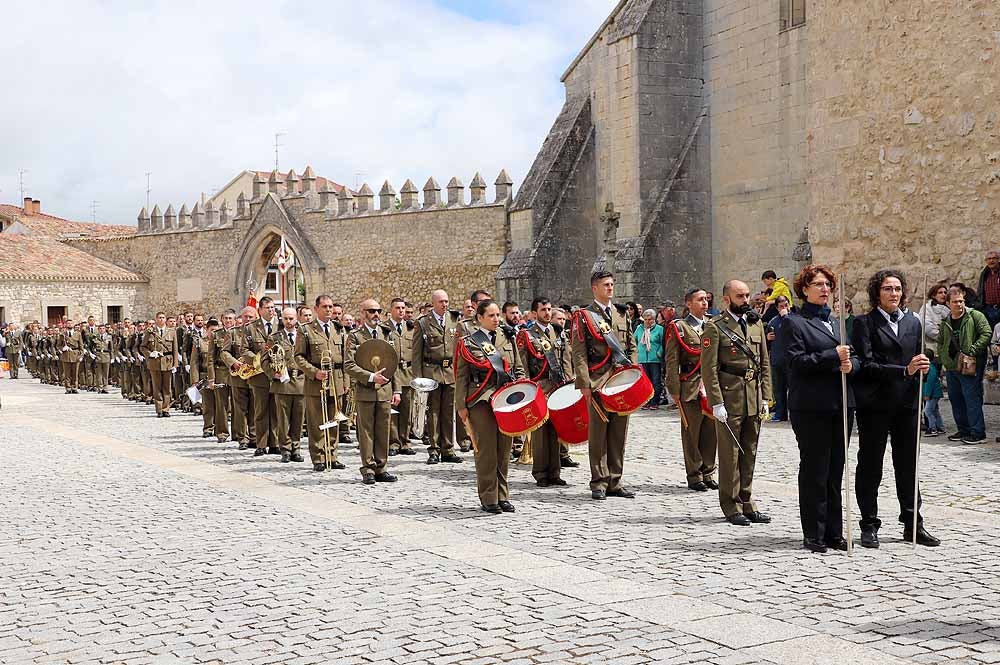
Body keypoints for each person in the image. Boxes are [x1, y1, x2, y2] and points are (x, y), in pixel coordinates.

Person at [852, 269, 938, 548]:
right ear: (877, 292)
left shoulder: (914, 322)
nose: (894, 294)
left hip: (907, 405)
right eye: (888, 289)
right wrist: (905, 370)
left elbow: (918, 357)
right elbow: (866, 365)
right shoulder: (864, 323)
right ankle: (869, 524)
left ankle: (913, 523)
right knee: (870, 466)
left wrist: (924, 364)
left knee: (908, 466)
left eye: (898, 289)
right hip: (875, 404)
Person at [780, 265, 858, 552]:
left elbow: (854, 357)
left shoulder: (838, 323)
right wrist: (831, 356)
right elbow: (795, 363)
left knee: (836, 468)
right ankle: (813, 531)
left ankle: (833, 532)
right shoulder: (794, 323)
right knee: (815, 469)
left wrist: (851, 365)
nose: (825, 289)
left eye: (828, 284)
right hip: (811, 407)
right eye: (818, 284)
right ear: (804, 289)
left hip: (840, 404)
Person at [701, 279, 772, 526]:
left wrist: (766, 397)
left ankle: (747, 501)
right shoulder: (715, 327)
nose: (745, 300)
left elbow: (764, 363)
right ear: (726, 299)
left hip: (752, 395)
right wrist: (716, 402)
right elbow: (708, 369)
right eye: (740, 296)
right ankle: (730, 505)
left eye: (747, 295)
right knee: (731, 453)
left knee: (749, 451)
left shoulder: (755, 324)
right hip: (729, 397)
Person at [570, 270, 638, 501]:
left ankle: (615, 480)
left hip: (621, 381)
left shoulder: (621, 313)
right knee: (598, 433)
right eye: (605, 285)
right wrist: (584, 383)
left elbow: (631, 345)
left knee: (619, 432)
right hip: (598, 380)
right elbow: (578, 353)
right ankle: (598, 481)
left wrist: (633, 370)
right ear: (595, 288)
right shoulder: (584, 316)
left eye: (612, 284)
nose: (610, 288)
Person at [455, 299, 525, 513]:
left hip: (505, 399)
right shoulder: (469, 342)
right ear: (479, 319)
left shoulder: (507, 337)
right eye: (491, 316)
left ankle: (503, 495)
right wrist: (461, 405)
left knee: (504, 449)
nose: (496, 320)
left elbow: (518, 368)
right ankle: (488, 497)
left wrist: (522, 392)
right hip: (480, 400)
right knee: (486, 450)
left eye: (497, 315)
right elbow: (461, 376)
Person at [664, 288, 718, 492]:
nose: (705, 303)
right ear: (688, 304)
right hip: (690, 386)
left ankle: (709, 472)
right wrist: (674, 390)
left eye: (706, 299)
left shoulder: (714, 324)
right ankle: (694, 475)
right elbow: (672, 360)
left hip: (712, 387)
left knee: (710, 432)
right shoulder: (680, 327)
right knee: (692, 432)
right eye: (700, 299)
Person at [344, 298, 402, 485]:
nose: (375, 314)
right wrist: (370, 377)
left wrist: (397, 390)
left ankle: (381, 467)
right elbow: (349, 364)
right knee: (366, 431)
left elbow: (395, 364)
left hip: (385, 390)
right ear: (363, 313)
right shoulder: (355, 336)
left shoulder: (387, 334)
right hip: (366, 390)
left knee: (383, 430)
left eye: (378, 311)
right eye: (371, 311)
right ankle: (368, 468)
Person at [517, 297, 573, 487]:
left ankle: (555, 471)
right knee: (541, 432)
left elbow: (566, 359)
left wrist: (570, 381)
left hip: (558, 386)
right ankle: (541, 472)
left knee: (556, 430)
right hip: (540, 387)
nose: (547, 313)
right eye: (543, 310)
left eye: (549, 309)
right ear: (534, 313)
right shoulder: (527, 335)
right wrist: (526, 388)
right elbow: (523, 365)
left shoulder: (559, 333)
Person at [295, 295, 349, 472]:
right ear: (316, 309)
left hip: (337, 380)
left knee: (334, 420)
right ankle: (318, 457)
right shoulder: (306, 330)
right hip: (316, 382)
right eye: (325, 307)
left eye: (331, 306)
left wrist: (346, 381)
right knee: (317, 421)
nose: (329, 310)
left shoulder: (339, 329)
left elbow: (346, 358)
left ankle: (332, 455)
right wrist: (314, 372)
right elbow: (298, 357)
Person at [412, 290, 464, 464]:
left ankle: (448, 448)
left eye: (447, 301)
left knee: (448, 412)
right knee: (433, 412)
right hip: (431, 371)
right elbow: (416, 353)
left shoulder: (455, 320)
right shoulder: (423, 323)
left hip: (450, 372)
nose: (445, 304)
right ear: (433, 303)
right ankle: (434, 449)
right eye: (441, 301)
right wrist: (418, 379)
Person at [938, 286, 992, 445]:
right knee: (956, 398)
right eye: (955, 302)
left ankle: (977, 432)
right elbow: (941, 342)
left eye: (961, 301)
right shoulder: (946, 321)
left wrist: (972, 350)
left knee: (971, 397)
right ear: (948, 303)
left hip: (971, 364)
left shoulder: (975, 316)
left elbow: (986, 333)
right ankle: (963, 430)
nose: (959, 304)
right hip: (952, 365)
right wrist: (944, 358)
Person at [264, 308, 305, 464]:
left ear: (296, 319)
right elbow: (264, 360)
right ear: (281, 319)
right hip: (282, 383)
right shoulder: (274, 338)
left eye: (292, 318)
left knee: (298, 419)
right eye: (286, 318)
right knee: (283, 420)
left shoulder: (303, 336)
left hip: (300, 381)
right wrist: (272, 373)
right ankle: (285, 449)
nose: (289, 321)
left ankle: (296, 448)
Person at [246, 297, 280, 456]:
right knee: (260, 411)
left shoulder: (280, 326)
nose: (271, 310)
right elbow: (244, 350)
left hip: (277, 374)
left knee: (276, 411)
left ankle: (275, 443)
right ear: (260, 310)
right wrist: (258, 360)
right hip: (259, 376)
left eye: (273, 307)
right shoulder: (251, 328)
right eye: (267, 307)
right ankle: (261, 443)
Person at [387, 297, 417, 456]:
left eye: (403, 308)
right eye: (397, 308)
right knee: (393, 411)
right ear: (391, 310)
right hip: (392, 373)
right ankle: (393, 442)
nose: (401, 311)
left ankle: (405, 441)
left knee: (407, 410)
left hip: (408, 374)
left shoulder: (411, 328)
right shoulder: (384, 329)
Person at [141, 312, 179, 417]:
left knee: (167, 387)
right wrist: (150, 353)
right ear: (156, 319)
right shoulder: (150, 332)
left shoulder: (172, 332)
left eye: (163, 318)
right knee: (157, 387)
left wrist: (175, 364)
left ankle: (166, 408)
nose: (161, 320)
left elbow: (175, 349)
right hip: (155, 362)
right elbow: (143, 347)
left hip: (167, 362)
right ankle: (159, 409)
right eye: (159, 318)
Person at [765, 295, 792, 422]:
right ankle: (780, 414)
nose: (784, 308)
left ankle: (794, 413)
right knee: (779, 389)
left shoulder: (794, 319)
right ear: (776, 308)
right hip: (777, 359)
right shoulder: (773, 322)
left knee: (793, 389)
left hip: (791, 360)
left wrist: (785, 317)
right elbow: (766, 343)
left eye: (786, 305)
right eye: (781, 306)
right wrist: (767, 338)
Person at [634, 309, 664, 410]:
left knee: (655, 381)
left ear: (654, 319)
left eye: (650, 319)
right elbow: (634, 341)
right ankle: (647, 401)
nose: (647, 321)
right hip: (642, 359)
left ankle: (655, 402)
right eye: (645, 319)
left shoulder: (659, 329)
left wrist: (659, 352)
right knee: (645, 382)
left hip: (655, 359)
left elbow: (663, 343)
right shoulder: (639, 328)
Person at [918, 282, 950, 354]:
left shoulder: (949, 309)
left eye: (945, 292)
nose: (943, 294)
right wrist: (942, 337)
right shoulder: (927, 308)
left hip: (946, 349)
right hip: (931, 348)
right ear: (933, 295)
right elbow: (927, 327)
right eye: (940, 292)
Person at [976, 249, 1000, 330]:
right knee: (992, 332)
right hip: (989, 309)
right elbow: (980, 291)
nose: (991, 260)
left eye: (994, 258)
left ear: (998, 260)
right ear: (986, 261)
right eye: (989, 259)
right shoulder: (984, 274)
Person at [922, 349, 944, 437]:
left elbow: (929, 383)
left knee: (927, 411)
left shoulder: (930, 368)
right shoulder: (932, 367)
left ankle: (932, 428)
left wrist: (927, 394)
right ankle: (940, 427)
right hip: (935, 393)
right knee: (935, 411)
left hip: (932, 394)